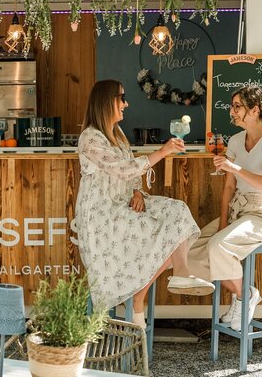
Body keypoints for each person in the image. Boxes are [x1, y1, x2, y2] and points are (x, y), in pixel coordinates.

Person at [75, 79, 214, 328]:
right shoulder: (90, 138)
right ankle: (137, 297)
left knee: (177, 211)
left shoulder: (118, 136)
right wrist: (161, 153)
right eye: (122, 98)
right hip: (103, 216)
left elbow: (131, 175)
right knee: (158, 232)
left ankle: (180, 273)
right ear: (107, 101)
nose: (126, 104)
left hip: (125, 204)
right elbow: (122, 168)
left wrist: (138, 192)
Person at [188, 86, 262, 332]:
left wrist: (235, 168)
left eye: (237, 106)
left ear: (255, 110)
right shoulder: (235, 140)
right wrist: (222, 223)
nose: (232, 111)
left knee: (217, 246)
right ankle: (244, 293)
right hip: (237, 210)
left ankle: (242, 298)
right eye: (232, 105)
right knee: (190, 249)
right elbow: (229, 188)